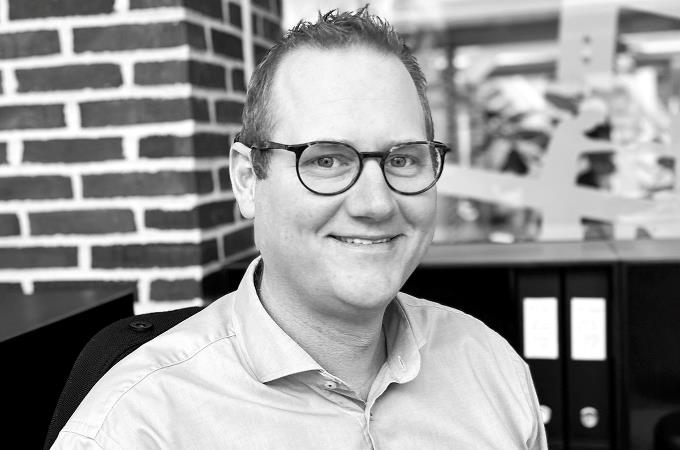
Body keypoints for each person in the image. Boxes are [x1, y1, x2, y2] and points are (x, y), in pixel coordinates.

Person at [52, 7, 547, 449]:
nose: (376, 203)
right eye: (327, 160)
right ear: (248, 181)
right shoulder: (137, 426)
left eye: (402, 159)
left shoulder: (491, 368)